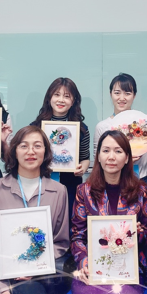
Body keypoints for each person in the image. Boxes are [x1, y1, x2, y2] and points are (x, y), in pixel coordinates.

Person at [0, 126, 70, 294]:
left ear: (45, 152)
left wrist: (35, 267)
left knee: (29, 293)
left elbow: (60, 242)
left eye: (37, 146)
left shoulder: (59, 191)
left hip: (38, 275)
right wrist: (0, 288)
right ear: (14, 151)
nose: (31, 152)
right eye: (24, 146)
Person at [71, 130, 147, 294]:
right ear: (98, 156)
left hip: (128, 270)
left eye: (118, 151)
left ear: (127, 158)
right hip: (92, 268)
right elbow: (77, 236)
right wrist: (84, 262)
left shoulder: (140, 191)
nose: (111, 157)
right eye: (106, 151)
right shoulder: (84, 191)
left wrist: (138, 233)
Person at [93, 73, 147, 233]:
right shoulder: (103, 126)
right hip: (112, 184)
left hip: (142, 181)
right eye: (117, 92)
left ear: (134, 95)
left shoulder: (145, 122)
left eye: (127, 93)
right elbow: (97, 160)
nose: (122, 98)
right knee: (113, 234)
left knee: (144, 232)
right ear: (110, 94)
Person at [30, 78, 90, 213]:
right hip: (40, 183)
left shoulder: (82, 129)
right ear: (49, 98)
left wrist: (82, 168)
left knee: (67, 220)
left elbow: (85, 158)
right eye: (57, 95)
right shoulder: (36, 126)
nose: (61, 100)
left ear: (73, 101)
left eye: (67, 96)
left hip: (70, 185)